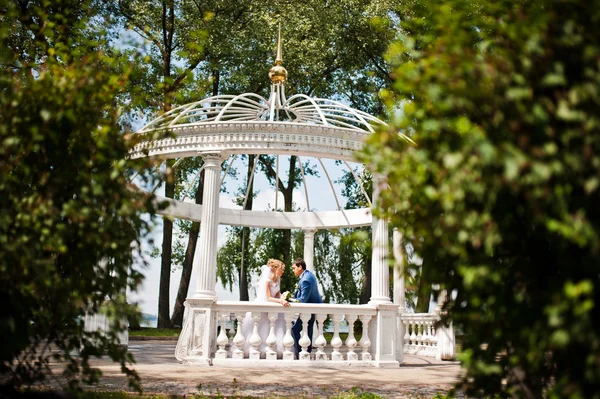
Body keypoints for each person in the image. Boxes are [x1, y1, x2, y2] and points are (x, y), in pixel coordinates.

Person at [242, 259, 289, 358]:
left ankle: (273, 348)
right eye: (282, 269)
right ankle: (260, 348)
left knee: (274, 326)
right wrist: (280, 301)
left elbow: (276, 294)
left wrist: (283, 298)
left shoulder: (278, 280)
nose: (283, 271)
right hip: (264, 306)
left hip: (273, 308)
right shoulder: (267, 281)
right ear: (276, 269)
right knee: (262, 328)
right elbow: (268, 298)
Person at [291, 258, 322, 359]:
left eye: (294, 268)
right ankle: (306, 352)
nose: (293, 270)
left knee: (294, 330)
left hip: (309, 309)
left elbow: (303, 299)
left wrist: (290, 300)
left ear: (300, 267)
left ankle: (301, 351)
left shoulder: (305, 280)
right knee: (308, 330)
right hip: (311, 309)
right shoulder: (308, 274)